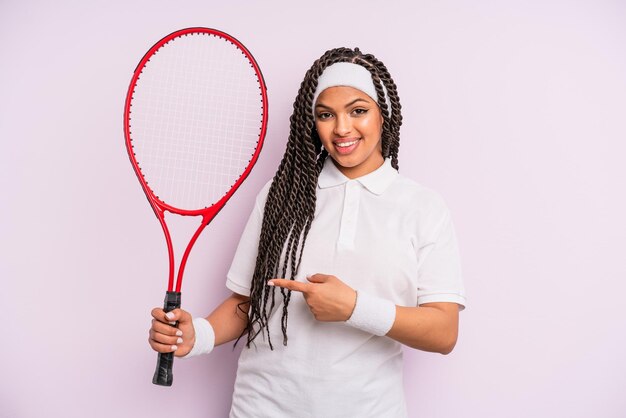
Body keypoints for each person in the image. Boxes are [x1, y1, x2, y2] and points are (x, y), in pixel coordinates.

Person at [148, 47, 466, 417]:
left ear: (385, 114)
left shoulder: (423, 207)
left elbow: (444, 332)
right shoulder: (281, 194)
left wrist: (354, 308)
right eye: (325, 115)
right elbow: (249, 303)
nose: (342, 128)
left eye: (358, 110)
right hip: (261, 408)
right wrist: (195, 335)